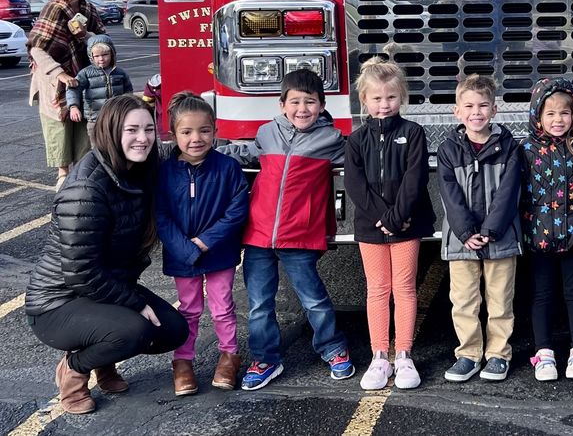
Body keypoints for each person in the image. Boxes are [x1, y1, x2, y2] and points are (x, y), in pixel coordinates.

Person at [25, 94, 188, 414]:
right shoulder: (86, 189)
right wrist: (136, 303)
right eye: (132, 130)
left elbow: (190, 147)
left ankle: (105, 360)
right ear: (112, 131)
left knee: (173, 330)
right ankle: (73, 370)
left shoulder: (140, 164)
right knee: (135, 330)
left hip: (105, 288)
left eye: (149, 129)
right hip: (58, 302)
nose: (143, 138)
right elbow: (81, 272)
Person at [218, 68, 352, 390]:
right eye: (294, 102)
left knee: (314, 299)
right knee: (259, 303)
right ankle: (266, 359)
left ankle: (333, 348)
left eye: (310, 102)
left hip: (300, 235)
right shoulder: (266, 134)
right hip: (259, 235)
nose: (302, 109)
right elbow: (242, 152)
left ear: (321, 105)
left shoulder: (331, 140)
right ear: (281, 105)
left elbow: (359, 158)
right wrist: (202, 150)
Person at [344, 57, 434, 391]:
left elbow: (416, 178)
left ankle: (404, 355)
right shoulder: (355, 140)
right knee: (378, 289)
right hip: (372, 226)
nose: (384, 104)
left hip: (406, 223)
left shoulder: (413, 133)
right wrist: (383, 217)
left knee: (405, 287)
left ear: (402, 98)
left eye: (391, 97)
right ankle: (380, 356)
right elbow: (355, 185)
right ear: (364, 100)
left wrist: (396, 218)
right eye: (377, 98)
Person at [156, 92, 249, 395]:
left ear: (215, 131)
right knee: (189, 309)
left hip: (218, 252)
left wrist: (206, 241)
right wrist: (186, 249)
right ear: (173, 135)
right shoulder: (164, 172)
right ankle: (182, 361)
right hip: (183, 255)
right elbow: (161, 215)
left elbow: (237, 210)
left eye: (204, 130)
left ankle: (229, 355)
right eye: (187, 132)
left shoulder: (227, 167)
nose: (196, 138)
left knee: (223, 307)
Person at [438, 74, 522, 383]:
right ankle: (469, 354)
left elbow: (509, 192)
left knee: (500, 300)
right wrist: (465, 232)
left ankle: (498, 354)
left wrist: (491, 230)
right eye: (469, 106)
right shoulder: (448, 149)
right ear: (457, 111)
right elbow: (448, 194)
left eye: (483, 105)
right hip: (462, 241)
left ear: (495, 110)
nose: (477, 112)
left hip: (499, 238)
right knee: (463, 301)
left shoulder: (509, 147)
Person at [521, 78, 573, 382]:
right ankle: (544, 353)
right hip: (539, 237)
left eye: (565, 114)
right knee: (542, 295)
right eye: (551, 114)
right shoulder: (528, 150)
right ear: (538, 117)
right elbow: (519, 195)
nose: (558, 120)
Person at [27, 0, 106, 188]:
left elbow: (104, 43)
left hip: (83, 77)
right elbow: (36, 48)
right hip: (53, 79)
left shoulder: (88, 9)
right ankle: (62, 175)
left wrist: (86, 35)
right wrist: (60, 74)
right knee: (59, 124)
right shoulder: (53, 9)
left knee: (83, 121)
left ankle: (81, 173)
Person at [65, 34, 134, 138]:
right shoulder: (86, 73)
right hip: (95, 119)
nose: (101, 59)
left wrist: (127, 108)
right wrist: (73, 106)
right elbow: (73, 89)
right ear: (91, 56)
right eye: (96, 56)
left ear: (112, 54)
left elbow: (128, 92)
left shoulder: (120, 73)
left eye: (105, 54)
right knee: (97, 147)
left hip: (116, 117)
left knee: (117, 144)